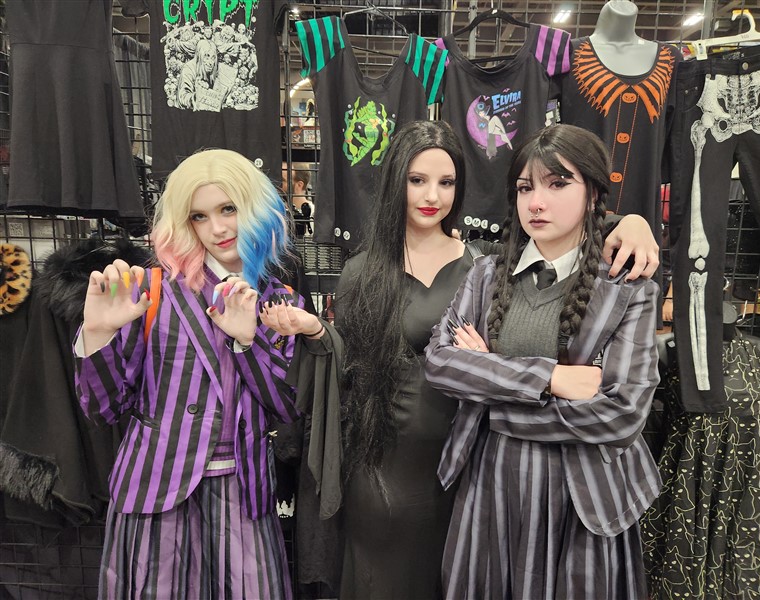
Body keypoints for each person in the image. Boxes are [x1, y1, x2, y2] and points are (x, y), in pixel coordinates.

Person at [261, 120, 660, 599]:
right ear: (395, 181)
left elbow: (622, 409)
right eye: (417, 179)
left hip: (466, 457)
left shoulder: (483, 261)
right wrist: (318, 333)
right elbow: (402, 366)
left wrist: (630, 221)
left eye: (446, 182)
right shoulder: (376, 273)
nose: (433, 195)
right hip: (392, 457)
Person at [424, 124, 662, 599]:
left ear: (592, 193)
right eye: (525, 188)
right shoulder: (486, 275)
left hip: (582, 496)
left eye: (557, 184)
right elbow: (440, 361)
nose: (536, 203)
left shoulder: (627, 286)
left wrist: (493, 400)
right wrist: (551, 377)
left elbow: (622, 413)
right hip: (490, 482)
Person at [73, 148, 301, 598]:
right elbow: (104, 409)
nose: (217, 229)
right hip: (155, 488)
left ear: (256, 207)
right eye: (199, 216)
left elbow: (287, 405)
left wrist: (247, 342)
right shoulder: (153, 291)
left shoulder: (280, 300)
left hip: (242, 492)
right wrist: (97, 334)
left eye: (229, 209)